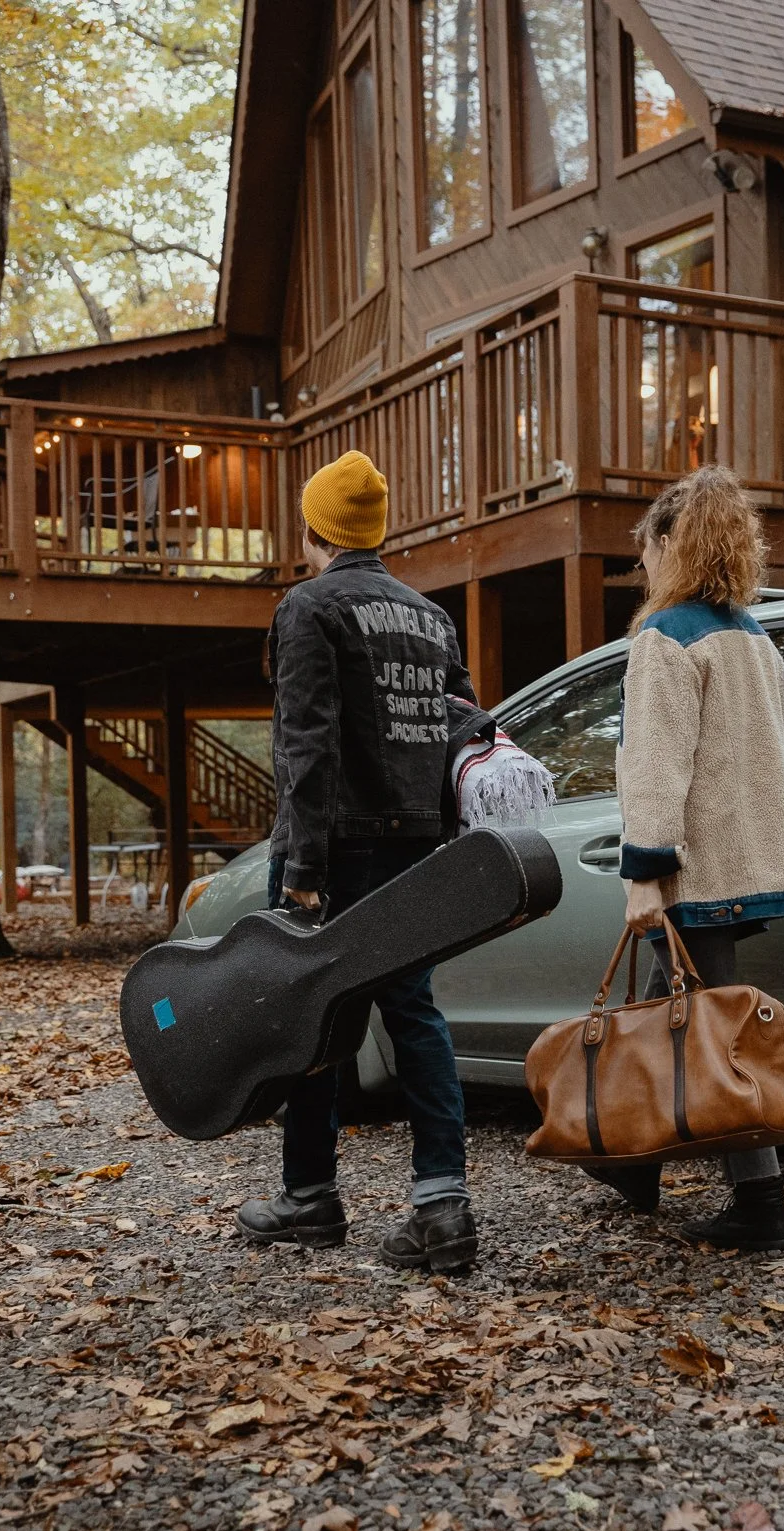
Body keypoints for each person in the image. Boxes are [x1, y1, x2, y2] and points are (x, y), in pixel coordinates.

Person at [237, 450, 480, 1272]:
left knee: (311, 1015)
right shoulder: (429, 616)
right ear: (376, 530)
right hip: (415, 843)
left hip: (336, 845)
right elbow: (459, 723)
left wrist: (301, 871)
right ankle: (442, 1206)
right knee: (414, 1014)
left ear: (315, 530)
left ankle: (309, 1196)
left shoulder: (308, 607)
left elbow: (305, 745)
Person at [600, 464, 784, 1252]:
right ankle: (632, 1161)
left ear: (666, 544)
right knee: (666, 1011)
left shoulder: (663, 637)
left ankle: (761, 1206)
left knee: (714, 1035)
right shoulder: (753, 637)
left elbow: (657, 764)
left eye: (644, 551)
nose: (641, 565)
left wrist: (644, 871)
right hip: (750, 863)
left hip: (693, 869)